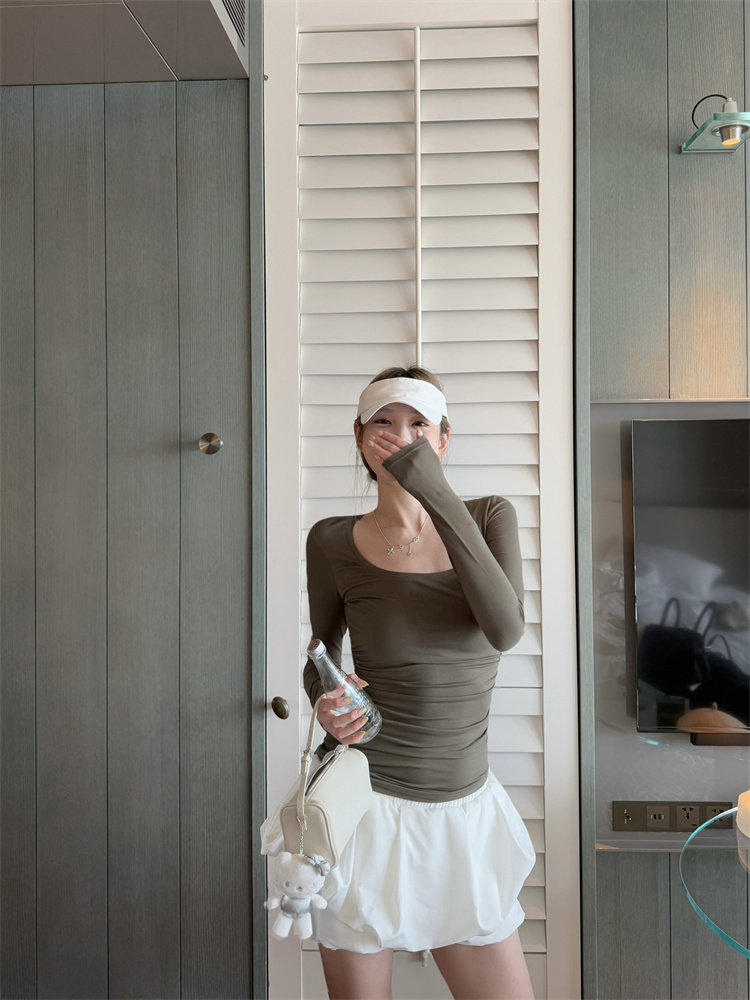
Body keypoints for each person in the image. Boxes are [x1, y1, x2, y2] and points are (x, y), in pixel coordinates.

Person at [302, 366, 535, 999]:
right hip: (365, 807)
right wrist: (326, 700)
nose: (399, 437)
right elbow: (320, 653)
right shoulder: (330, 540)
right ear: (358, 437)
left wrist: (431, 489)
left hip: (463, 813)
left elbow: (506, 629)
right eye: (382, 423)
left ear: (444, 439)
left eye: (417, 425)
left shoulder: (489, 516)